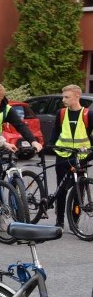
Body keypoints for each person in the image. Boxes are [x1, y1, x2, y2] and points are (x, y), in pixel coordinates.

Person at [50, 85, 93, 229]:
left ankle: (75, 221)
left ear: (77, 97)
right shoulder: (61, 113)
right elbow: (55, 132)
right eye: (63, 97)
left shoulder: (88, 114)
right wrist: (51, 146)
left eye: (67, 97)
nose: (63, 100)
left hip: (81, 157)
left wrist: (88, 153)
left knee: (79, 189)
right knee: (61, 189)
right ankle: (60, 221)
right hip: (63, 155)